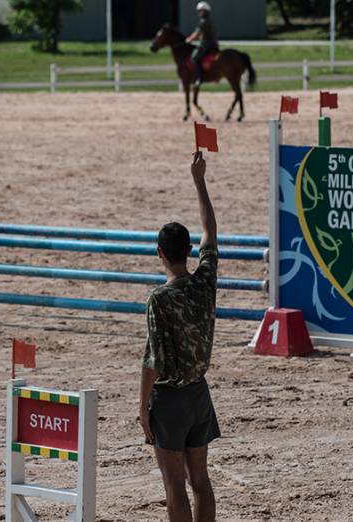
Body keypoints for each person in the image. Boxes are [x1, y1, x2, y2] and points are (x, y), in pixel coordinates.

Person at [139, 151, 220, 522]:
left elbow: (152, 360)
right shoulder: (204, 281)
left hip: (170, 399)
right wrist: (199, 181)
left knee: (173, 484)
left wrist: (143, 409)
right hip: (199, 392)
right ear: (187, 252)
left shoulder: (158, 299)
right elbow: (210, 232)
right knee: (200, 480)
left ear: (159, 253)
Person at [186, 1, 219, 86]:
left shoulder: (203, 21)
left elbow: (197, 33)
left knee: (194, 58)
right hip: (214, 44)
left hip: (206, 44)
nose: (199, 12)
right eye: (199, 10)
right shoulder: (209, 20)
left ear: (205, 11)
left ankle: (199, 78)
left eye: (201, 10)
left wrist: (189, 39)